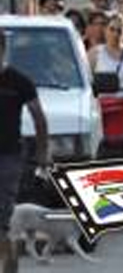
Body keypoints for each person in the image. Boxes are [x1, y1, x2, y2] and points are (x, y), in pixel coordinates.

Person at [1, 31, 50, 273]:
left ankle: (10, 268)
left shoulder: (19, 81)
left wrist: (42, 154)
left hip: (8, 157)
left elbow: (39, 119)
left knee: (3, 220)